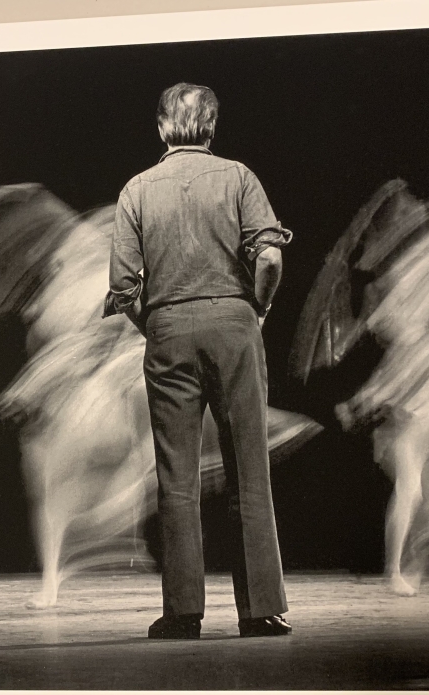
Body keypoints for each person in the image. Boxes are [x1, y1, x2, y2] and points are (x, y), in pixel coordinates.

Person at [104, 82, 294, 639]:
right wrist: (254, 310)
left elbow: (122, 286)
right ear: (211, 127)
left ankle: (184, 611)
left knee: (177, 477)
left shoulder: (136, 189)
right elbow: (271, 258)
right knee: (250, 472)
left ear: (163, 128)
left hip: (167, 331)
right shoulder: (238, 177)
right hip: (234, 325)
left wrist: (155, 325)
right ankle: (261, 610)